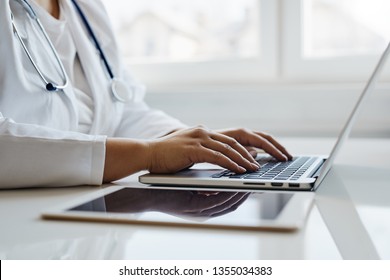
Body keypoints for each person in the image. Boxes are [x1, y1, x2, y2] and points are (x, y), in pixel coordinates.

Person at [0, 0, 292, 189]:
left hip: (84, 211)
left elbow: (122, 108)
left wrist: (191, 141)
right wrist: (148, 154)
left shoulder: (85, 8)